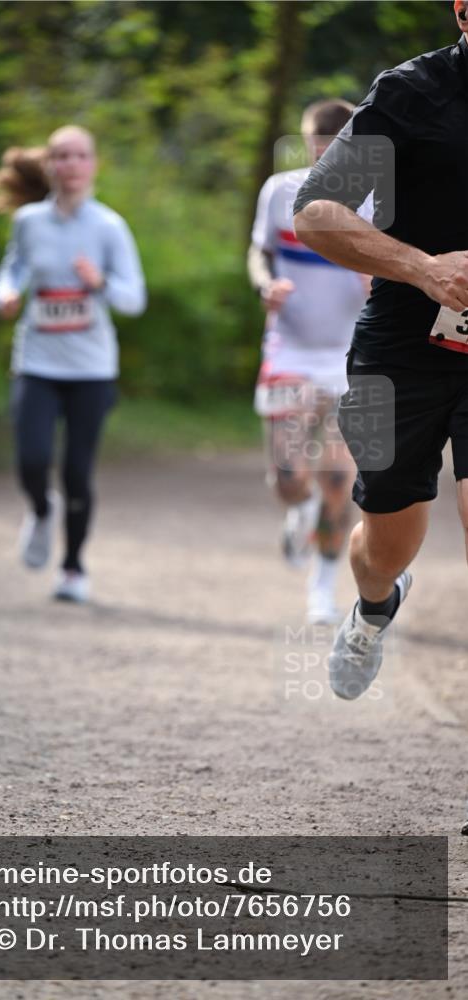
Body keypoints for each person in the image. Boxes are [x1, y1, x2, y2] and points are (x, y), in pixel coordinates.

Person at [293, 0, 468, 699]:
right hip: (402, 344)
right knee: (384, 543)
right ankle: (372, 606)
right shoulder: (409, 94)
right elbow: (317, 213)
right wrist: (425, 269)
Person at [0, 126, 146, 602]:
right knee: (31, 460)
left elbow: (134, 299)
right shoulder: (29, 221)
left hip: (91, 370)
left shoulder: (109, 227)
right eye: (61, 156)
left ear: (93, 165)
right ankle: (40, 509)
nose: (71, 164)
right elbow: (11, 269)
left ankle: (74, 567)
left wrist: (98, 283)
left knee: (78, 471)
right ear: (50, 165)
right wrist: (6, 295)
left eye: (80, 156)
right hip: (36, 361)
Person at [248, 100, 372, 624]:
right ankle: (298, 508)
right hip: (290, 351)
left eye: (333, 140)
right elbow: (258, 253)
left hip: (352, 357)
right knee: (288, 475)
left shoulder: (373, 203)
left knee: (340, 482)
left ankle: (323, 584)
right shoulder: (280, 191)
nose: (322, 149)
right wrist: (264, 285)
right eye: (314, 139)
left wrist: (377, 282)